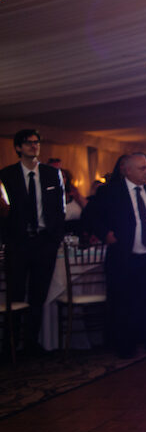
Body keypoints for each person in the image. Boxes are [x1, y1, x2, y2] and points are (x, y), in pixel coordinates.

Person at [92, 153, 146, 358]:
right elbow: (90, 217)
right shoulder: (110, 192)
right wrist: (105, 234)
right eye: (142, 168)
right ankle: (125, 345)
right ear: (127, 170)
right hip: (123, 256)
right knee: (123, 303)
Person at [0, 129, 65, 354]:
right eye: (28, 143)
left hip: (44, 242)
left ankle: (31, 342)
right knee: (16, 293)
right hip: (18, 243)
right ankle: (10, 342)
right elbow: (3, 212)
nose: (33, 146)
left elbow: (60, 209)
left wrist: (54, 238)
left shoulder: (51, 174)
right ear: (18, 148)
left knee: (38, 294)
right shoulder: (6, 175)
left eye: (36, 142)